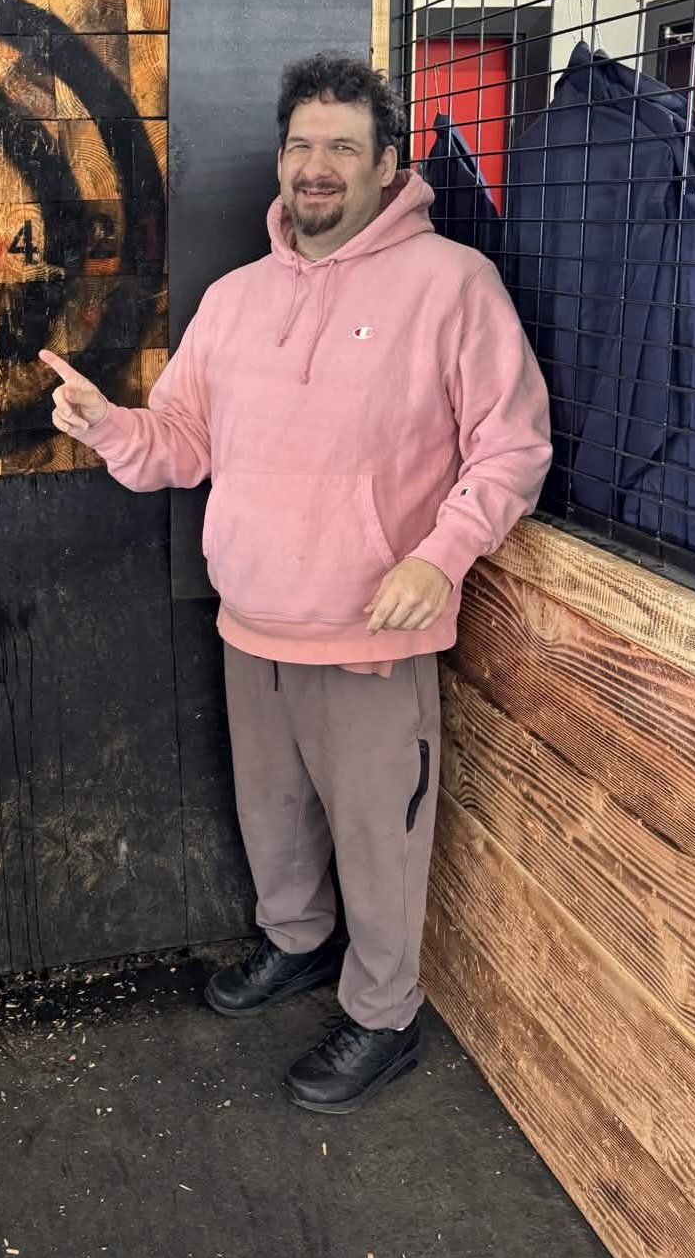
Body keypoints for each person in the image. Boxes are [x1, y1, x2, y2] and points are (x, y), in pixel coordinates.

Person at [40, 54, 552, 1115]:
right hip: (252, 621)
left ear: (387, 165)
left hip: (371, 633)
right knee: (273, 817)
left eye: (342, 149)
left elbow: (512, 450)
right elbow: (180, 442)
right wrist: (108, 427)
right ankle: (298, 946)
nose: (316, 169)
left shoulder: (454, 285)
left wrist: (437, 555)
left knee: (379, 837)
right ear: (280, 159)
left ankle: (383, 1014)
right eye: (301, 146)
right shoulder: (234, 300)